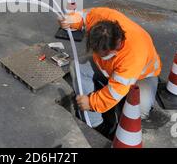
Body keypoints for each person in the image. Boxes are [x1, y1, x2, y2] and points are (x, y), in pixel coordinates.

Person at [59, 7, 162, 139]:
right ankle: (96, 124)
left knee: (140, 108)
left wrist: (92, 103)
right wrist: (71, 21)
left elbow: (116, 90)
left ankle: (120, 133)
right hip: (110, 70)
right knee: (78, 67)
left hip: (142, 77)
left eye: (101, 53)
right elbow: (83, 17)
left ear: (114, 49)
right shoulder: (102, 20)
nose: (96, 54)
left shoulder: (134, 54)